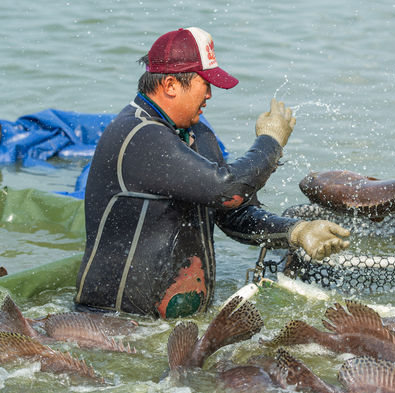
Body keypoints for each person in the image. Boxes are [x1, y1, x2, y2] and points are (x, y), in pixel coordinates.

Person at [74, 27, 350, 318]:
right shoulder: (139, 134)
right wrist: (270, 143)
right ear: (170, 84)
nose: (209, 94)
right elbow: (226, 189)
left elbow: (233, 211)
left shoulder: (197, 134)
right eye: (204, 83)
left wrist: (296, 231)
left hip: (170, 327)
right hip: (114, 321)